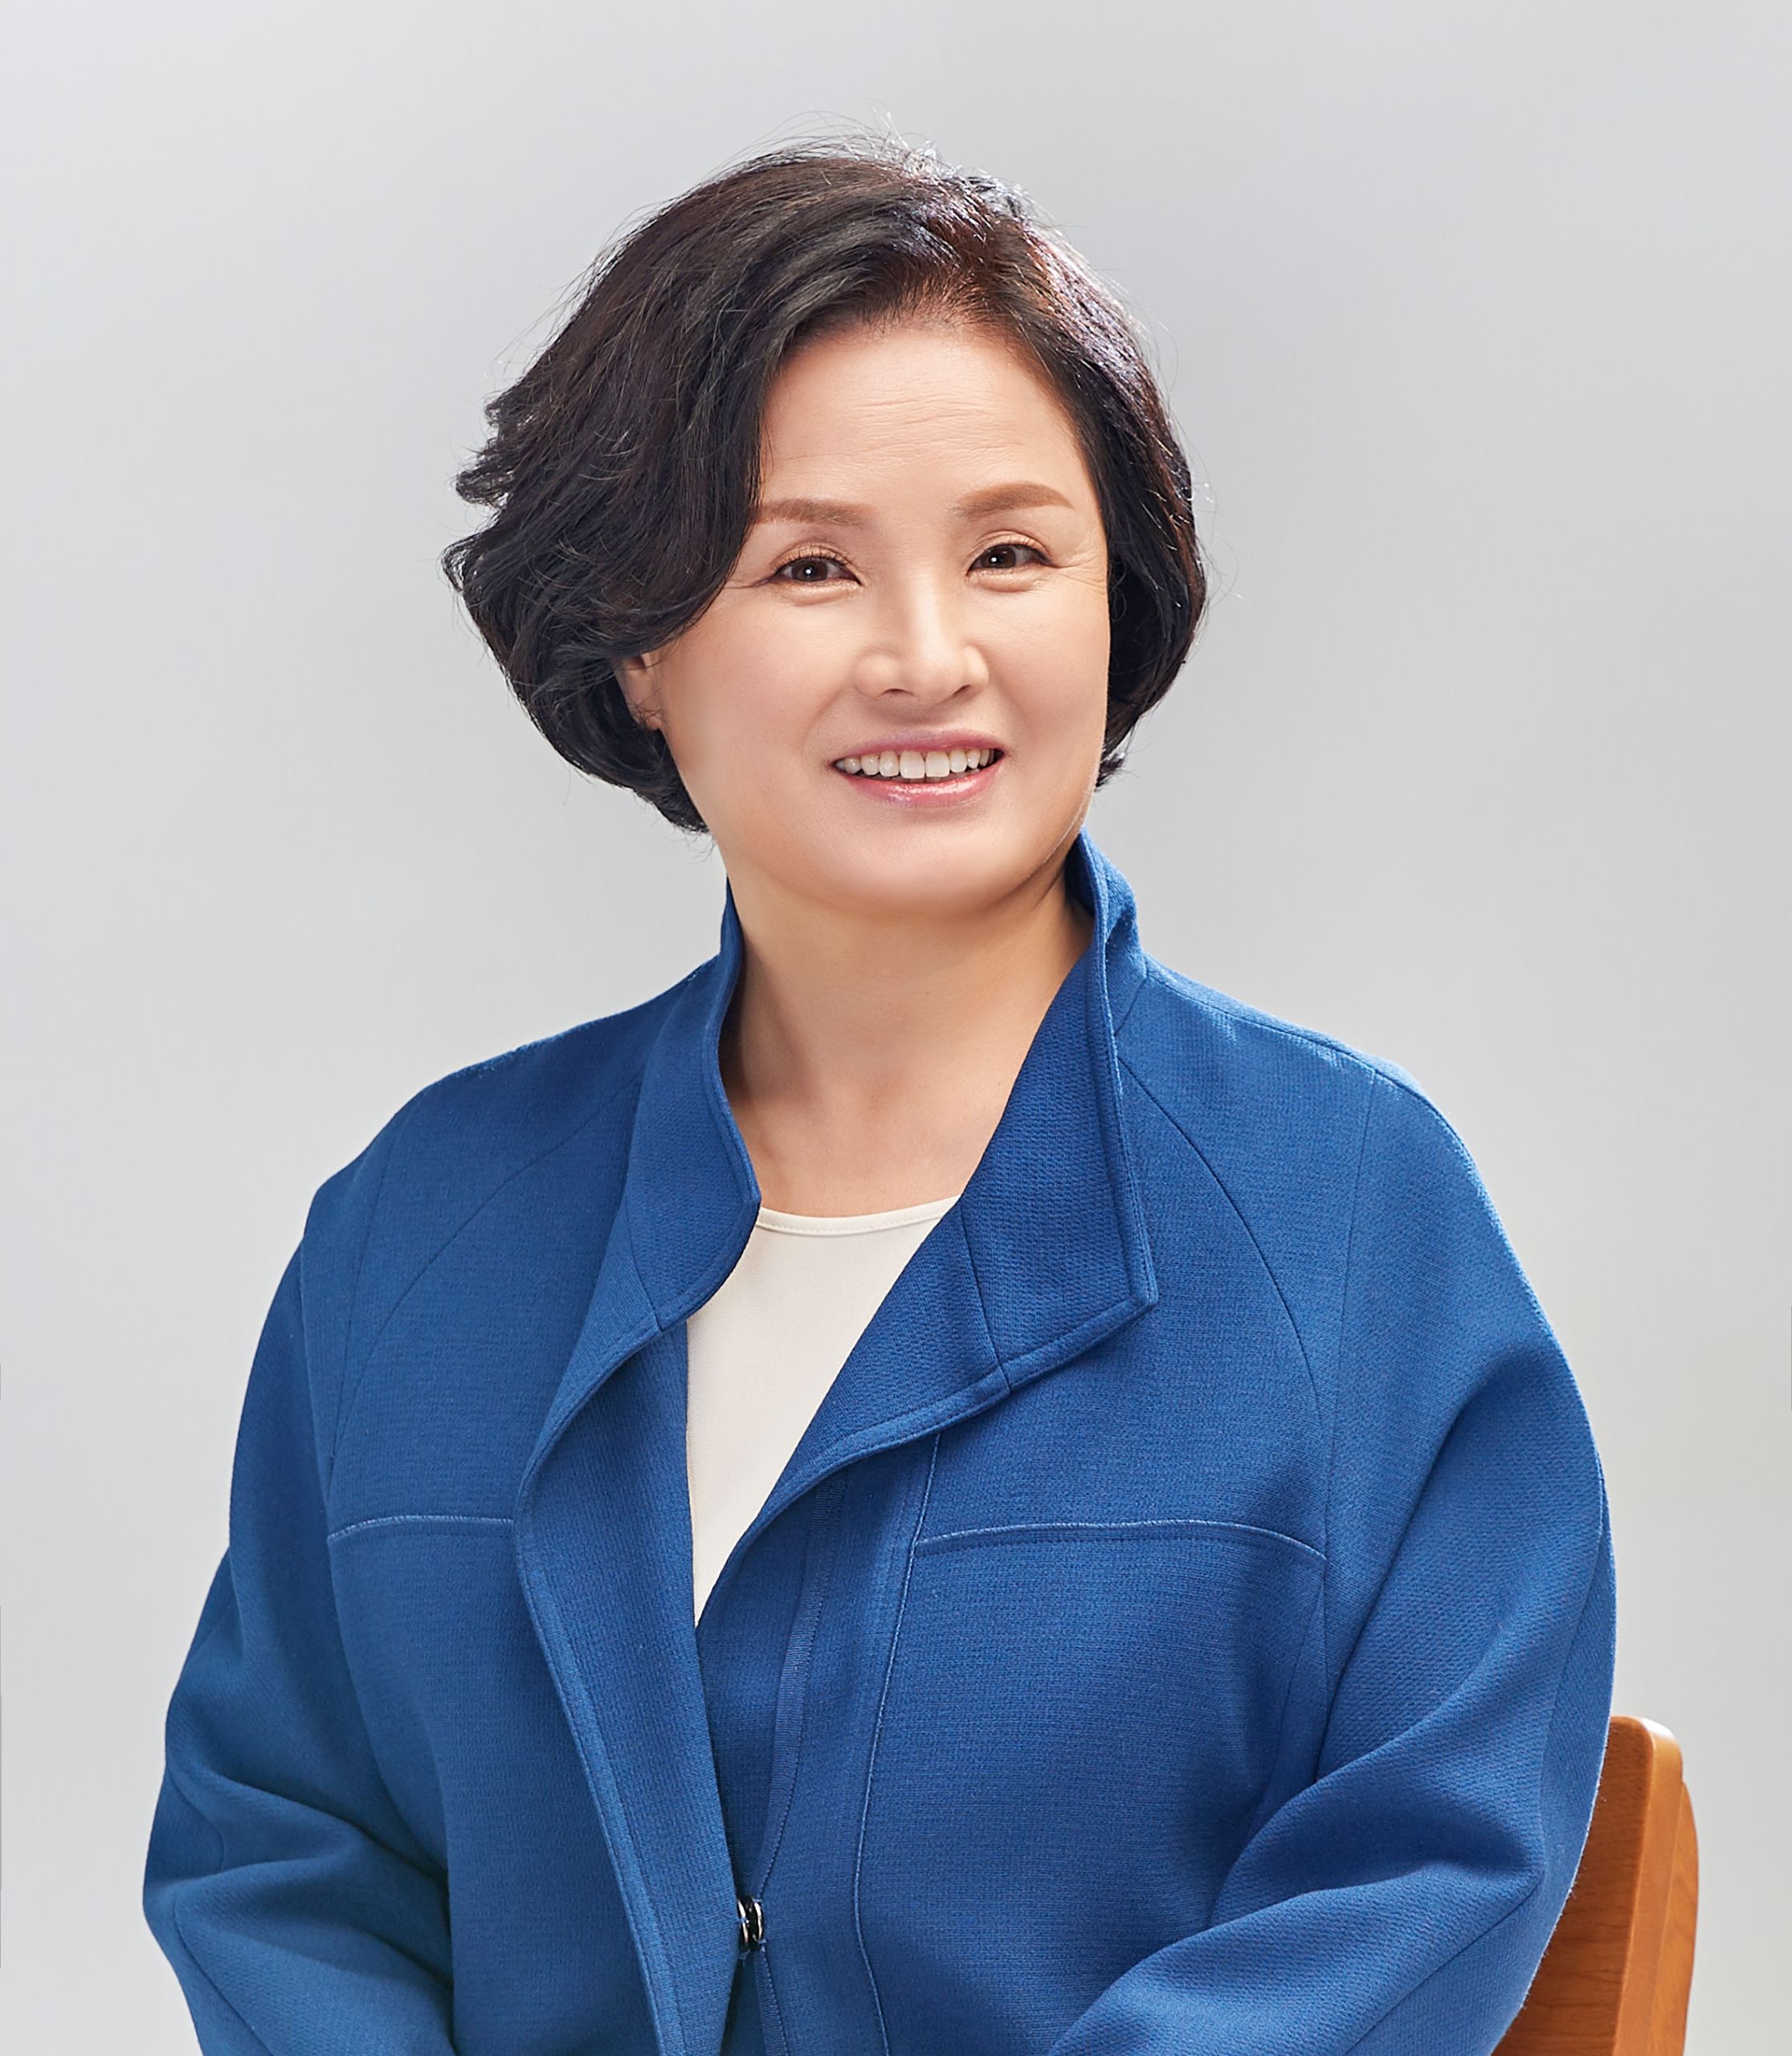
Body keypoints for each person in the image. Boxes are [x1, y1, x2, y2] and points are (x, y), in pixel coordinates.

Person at [142, 139, 1617, 2056]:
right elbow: (281, 1845)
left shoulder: (1350, 1213)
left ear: (1118, 599)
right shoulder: (421, 1229)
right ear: (639, 644)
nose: (929, 658)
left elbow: (1428, 1859)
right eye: (809, 565)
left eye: (1012, 553)